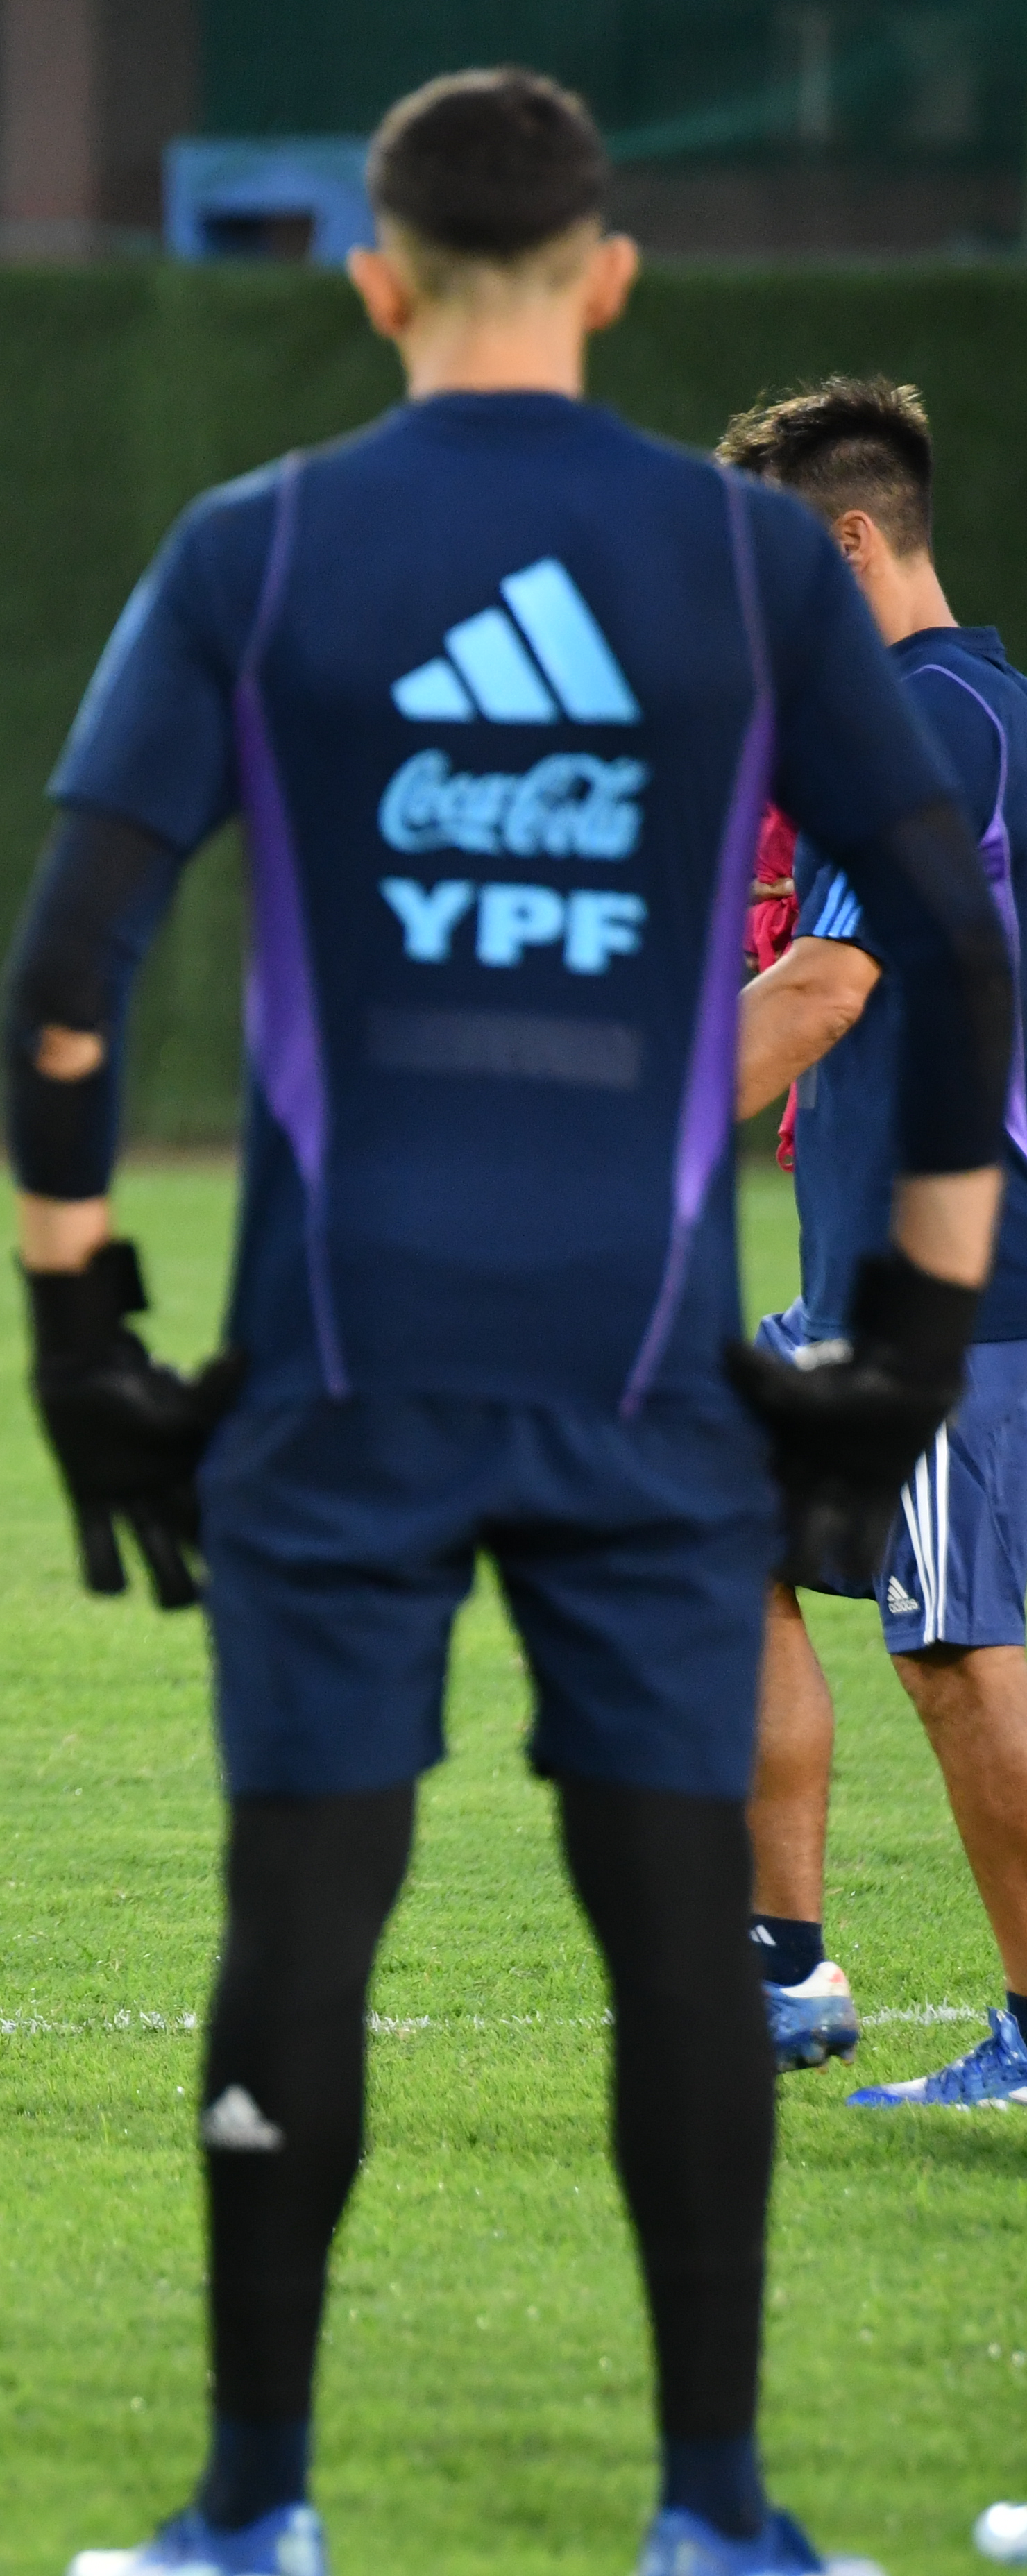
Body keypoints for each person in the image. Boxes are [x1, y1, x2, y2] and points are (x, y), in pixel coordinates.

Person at [5, 74, 1008, 2576]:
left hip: (338, 1371)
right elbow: (955, 944)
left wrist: (79, 1320)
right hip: (647, 1373)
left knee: (305, 1916)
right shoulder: (742, 565)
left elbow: (66, 967)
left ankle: (253, 2511)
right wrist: (910, 1318)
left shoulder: (262, 544)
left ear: (369, 278)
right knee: (683, 1937)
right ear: (611, 277)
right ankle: (717, 2512)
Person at [722, 377, 1027, 2102]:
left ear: (847, 542)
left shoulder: (912, 726)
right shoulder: (975, 712)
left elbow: (825, 988)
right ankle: (777, 1967)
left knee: (955, 1656)